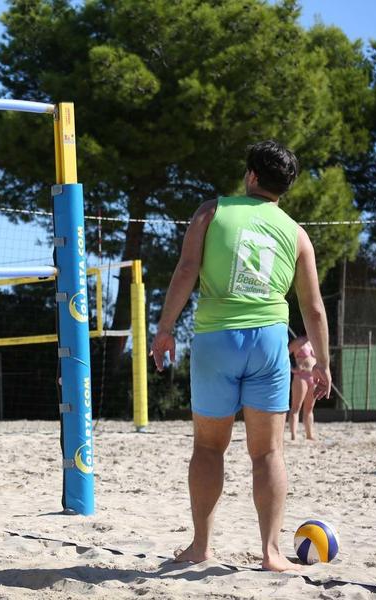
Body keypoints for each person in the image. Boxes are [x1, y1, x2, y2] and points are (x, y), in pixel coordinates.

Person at [150, 140, 332, 572]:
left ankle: (200, 547)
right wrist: (322, 363)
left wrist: (164, 329)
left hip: (217, 338)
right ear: (284, 187)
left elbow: (186, 270)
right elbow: (314, 307)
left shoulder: (212, 211)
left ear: (251, 175)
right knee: (268, 453)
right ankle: (271, 553)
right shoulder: (296, 233)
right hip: (268, 341)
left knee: (209, 448)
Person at [288, 334, 318, 441]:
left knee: (309, 408)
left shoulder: (316, 343)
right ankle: (293, 435)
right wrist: (292, 369)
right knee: (296, 407)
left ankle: (309, 435)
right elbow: (284, 355)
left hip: (313, 378)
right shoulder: (298, 341)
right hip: (301, 377)